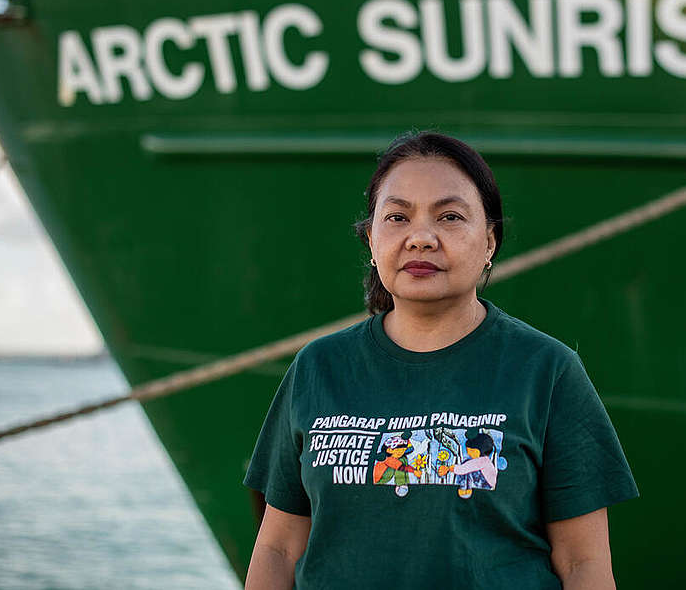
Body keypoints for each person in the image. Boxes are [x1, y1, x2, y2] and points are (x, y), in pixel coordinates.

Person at [243, 131, 638, 589]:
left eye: (449, 217)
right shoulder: (317, 368)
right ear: (371, 239)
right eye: (398, 217)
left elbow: (582, 563)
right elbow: (278, 548)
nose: (421, 238)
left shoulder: (546, 371)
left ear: (489, 242)